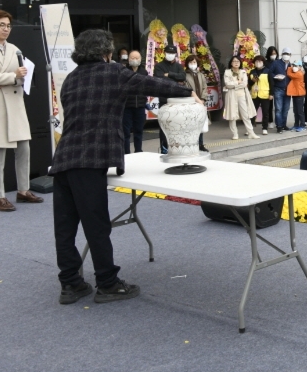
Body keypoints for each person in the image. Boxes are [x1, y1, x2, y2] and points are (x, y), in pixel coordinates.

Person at [51, 29, 199, 305]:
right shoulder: (113, 73)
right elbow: (153, 85)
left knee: (65, 228)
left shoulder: (70, 79)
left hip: (62, 160)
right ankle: (107, 283)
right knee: (97, 226)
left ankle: (70, 284)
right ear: (107, 53)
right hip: (90, 160)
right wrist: (187, 90)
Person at [0, 10, 41, 212]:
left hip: (15, 103)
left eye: (8, 26)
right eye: (2, 25)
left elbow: (21, 73)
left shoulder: (14, 49)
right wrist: (13, 76)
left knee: (24, 149)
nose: (6, 29)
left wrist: (24, 77)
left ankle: (23, 190)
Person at [154, 44, 187, 153]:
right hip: (164, 100)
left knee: (178, 124)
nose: (170, 55)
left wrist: (169, 74)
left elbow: (183, 77)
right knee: (164, 125)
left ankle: (177, 147)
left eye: (172, 53)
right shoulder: (159, 66)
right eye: (169, 53)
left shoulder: (178, 66)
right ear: (164, 53)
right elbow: (160, 80)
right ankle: (164, 148)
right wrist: (175, 81)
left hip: (177, 100)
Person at [223, 57, 258, 139]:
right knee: (232, 115)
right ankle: (235, 134)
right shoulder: (227, 72)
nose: (236, 62)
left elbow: (244, 84)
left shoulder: (243, 72)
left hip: (242, 95)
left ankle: (251, 133)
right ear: (231, 63)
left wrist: (234, 84)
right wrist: (237, 82)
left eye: (237, 61)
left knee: (245, 114)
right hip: (231, 95)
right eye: (234, 61)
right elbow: (228, 84)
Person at [121, 51, 147, 154]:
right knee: (126, 132)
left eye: (136, 58)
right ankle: (126, 152)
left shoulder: (143, 72)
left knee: (139, 131)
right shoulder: (124, 71)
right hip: (126, 106)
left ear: (140, 59)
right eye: (132, 57)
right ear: (128, 59)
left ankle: (138, 151)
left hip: (140, 105)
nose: (134, 60)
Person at [184, 54, 209, 152]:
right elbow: (187, 89)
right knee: (191, 125)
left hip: (201, 102)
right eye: (190, 62)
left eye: (194, 62)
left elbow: (204, 87)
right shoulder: (185, 75)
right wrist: (196, 100)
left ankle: (201, 144)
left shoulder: (200, 74)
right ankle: (192, 144)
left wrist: (203, 99)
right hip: (191, 102)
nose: (192, 64)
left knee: (201, 124)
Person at [269, 47, 291, 132]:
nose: (286, 55)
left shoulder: (291, 65)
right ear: (281, 54)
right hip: (278, 88)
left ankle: (283, 125)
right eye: (285, 53)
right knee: (278, 108)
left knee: (286, 109)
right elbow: (270, 72)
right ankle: (279, 126)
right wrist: (276, 77)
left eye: (288, 54)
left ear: (290, 55)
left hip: (288, 89)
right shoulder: (276, 63)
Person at [249, 55, 272, 135]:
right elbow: (249, 84)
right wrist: (252, 81)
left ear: (263, 62)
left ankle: (265, 128)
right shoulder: (252, 72)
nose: (258, 63)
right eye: (256, 61)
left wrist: (271, 94)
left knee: (265, 112)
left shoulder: (268, 71)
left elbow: (271, 83)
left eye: (260, 61)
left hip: (265, 94)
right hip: (255, 95)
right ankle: (250, 128)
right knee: (252, 112)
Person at [285, 55, 306, 131]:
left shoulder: (299, 74)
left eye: (296, 66)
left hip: (300, 94)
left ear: (300, 67)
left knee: (300, 111)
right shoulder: (298, 72)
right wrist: (292, 66)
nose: (294, 67)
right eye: (294, 65)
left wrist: (290, 67)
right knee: (295, 110)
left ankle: (302, 125)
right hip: (295, 94)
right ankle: (296, 124)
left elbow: (289, 74)